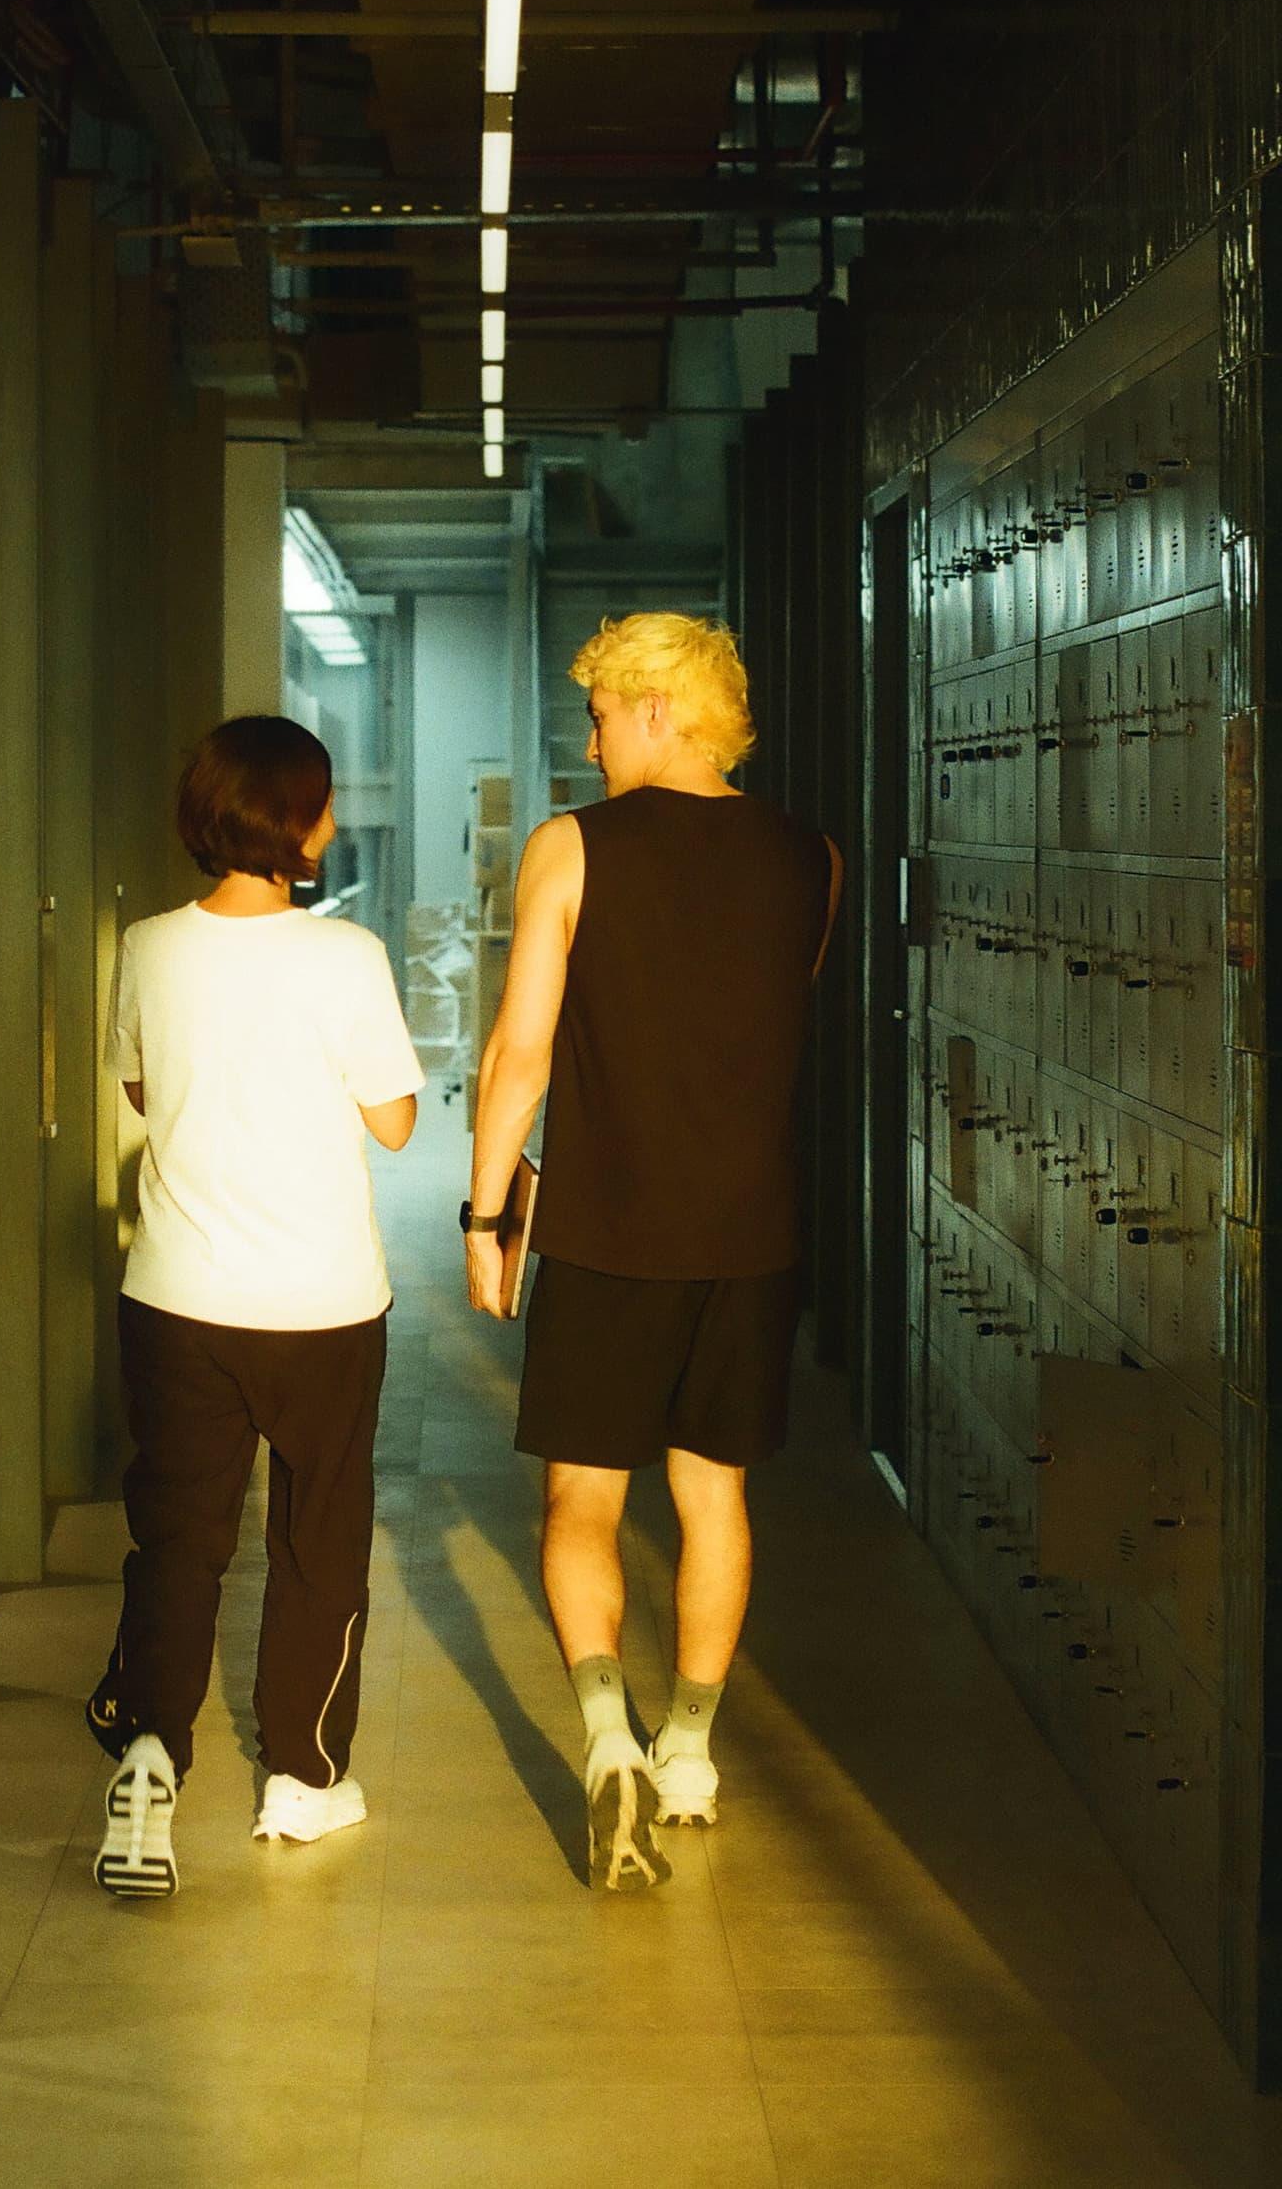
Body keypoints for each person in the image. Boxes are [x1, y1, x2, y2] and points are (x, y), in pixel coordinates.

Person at [463, 613, 841, 1893]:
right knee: (715, 1498)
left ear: (659, 713)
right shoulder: (814, 861)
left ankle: (604, 1735)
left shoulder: (572, 847)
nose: (591, 737)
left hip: (608, 1232)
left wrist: (483, 1209)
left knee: (581, 1504)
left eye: (603, 713)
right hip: (750, 1236)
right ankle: (688, 1748)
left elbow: (519, 1052)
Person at [86, 714, 424, 1899]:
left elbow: (138, 1084)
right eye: (321, 803)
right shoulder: (347, 958)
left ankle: (145, 1757)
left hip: (175, 1296)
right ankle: (302, 1777)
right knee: (316, 1542)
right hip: (322, 1304)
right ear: (295, 819)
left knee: (179, 1540)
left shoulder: (147, 945)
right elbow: (394, 1119)